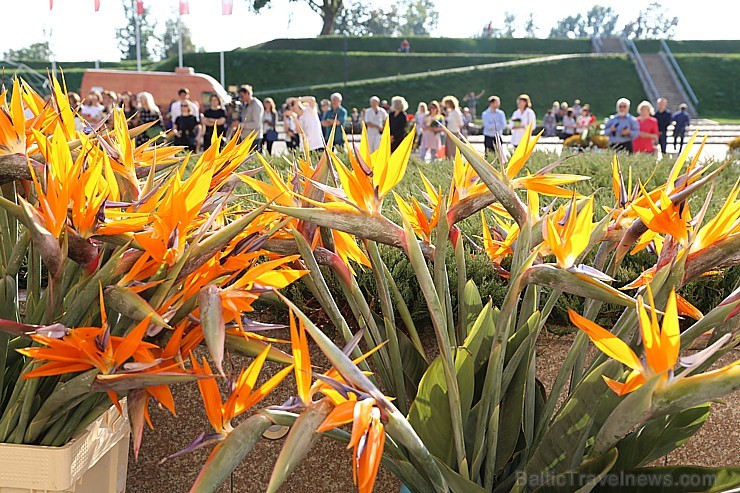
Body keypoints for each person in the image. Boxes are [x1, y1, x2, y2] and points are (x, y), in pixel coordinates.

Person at [237, 84, 264, 151]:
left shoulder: (256, 105)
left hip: (254, 139)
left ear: (247, 93)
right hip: (246, 138)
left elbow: (255, 124)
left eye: (242, 95)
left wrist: (240, 124)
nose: (241, 98)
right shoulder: (245, 105)